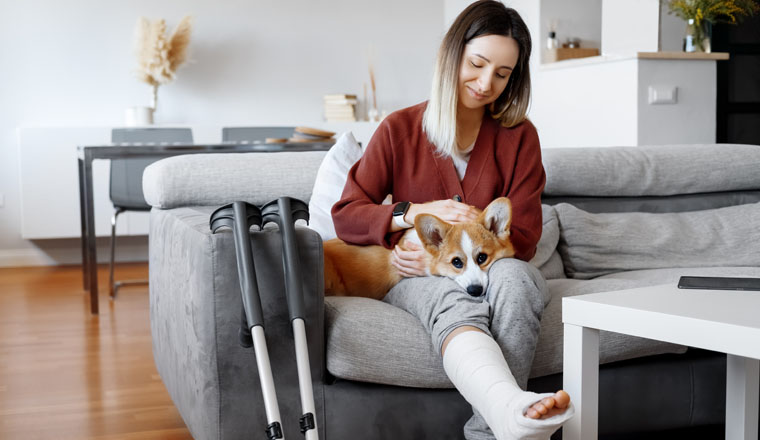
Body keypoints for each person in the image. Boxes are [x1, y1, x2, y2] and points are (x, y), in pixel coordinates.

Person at [332, 1, 574, 439]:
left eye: (503, 74)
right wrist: (413, 215)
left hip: (503, 267)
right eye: (477, 64)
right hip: (416, 279)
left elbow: (525, 235)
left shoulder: (521, 137)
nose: (486, 84)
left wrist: (479, 245)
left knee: (516, 281)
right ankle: (511, 416)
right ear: (452, 56)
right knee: (453, 298)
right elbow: (347, 215)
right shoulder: (398, 130)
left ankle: (495, 428)